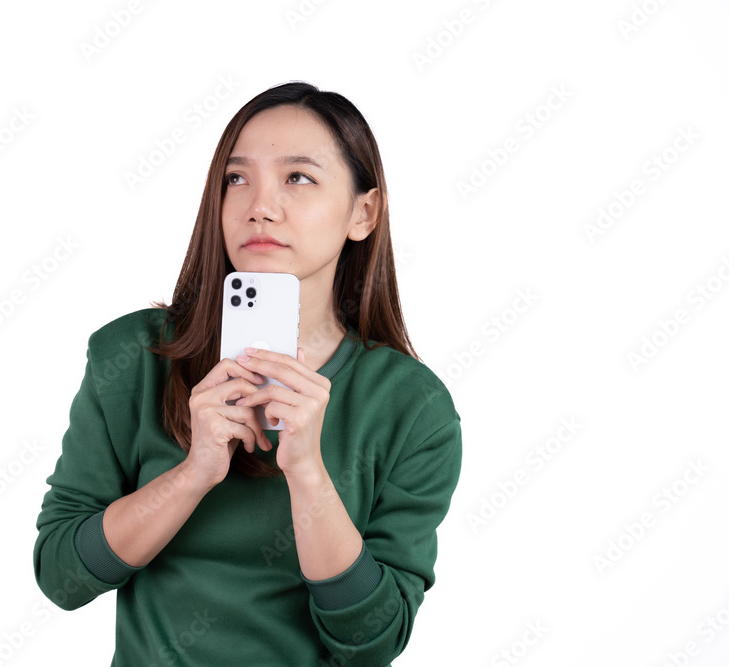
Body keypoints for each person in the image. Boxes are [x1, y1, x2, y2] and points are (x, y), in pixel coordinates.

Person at [33, 81, 463, 667]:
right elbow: (61, 576)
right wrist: (193, 475)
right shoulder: (133, 355)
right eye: (236, 178)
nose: (260, 206)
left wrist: (307, 473)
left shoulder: (412, 407)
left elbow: (372, 643)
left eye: (298, 177)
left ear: (363, 213)